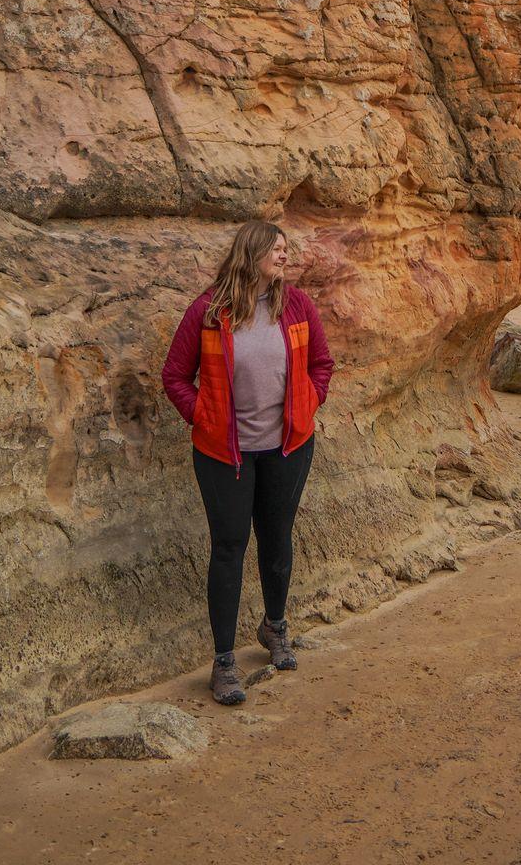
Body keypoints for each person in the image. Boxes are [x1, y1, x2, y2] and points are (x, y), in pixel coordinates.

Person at [161, 222, 334, 705]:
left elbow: (322, 364)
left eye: (286, 249)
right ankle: (222, 662)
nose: (284, 257)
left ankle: (275, 627)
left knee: (277, 537)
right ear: (252, 252)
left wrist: (309, 401)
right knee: (229, 547)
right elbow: (175, 375)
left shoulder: (296, 305)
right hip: (224, 454)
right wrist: (204, 416)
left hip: (288, 446)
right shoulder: (209, 310)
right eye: (276, 249)